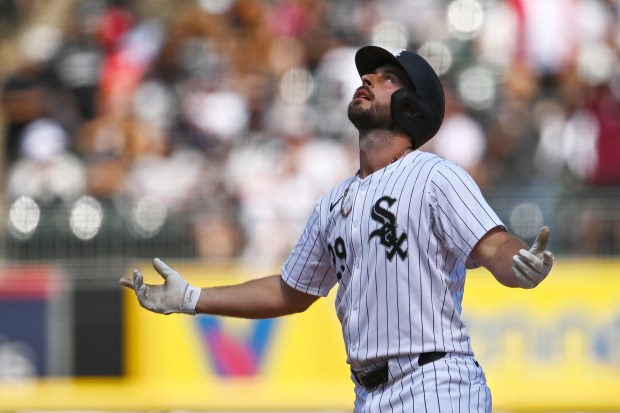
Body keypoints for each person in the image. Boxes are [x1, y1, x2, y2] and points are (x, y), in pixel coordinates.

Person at [120, 45, 554, 412]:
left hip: (435, 383)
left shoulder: (434, 176)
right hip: (368, 395)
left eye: (386, 78)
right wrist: (194, 298)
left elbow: (495, 247)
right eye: (369, 74)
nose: (367, 78)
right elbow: (291, 291)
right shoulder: (333, 202)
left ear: (412, 106)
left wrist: (521, 264)